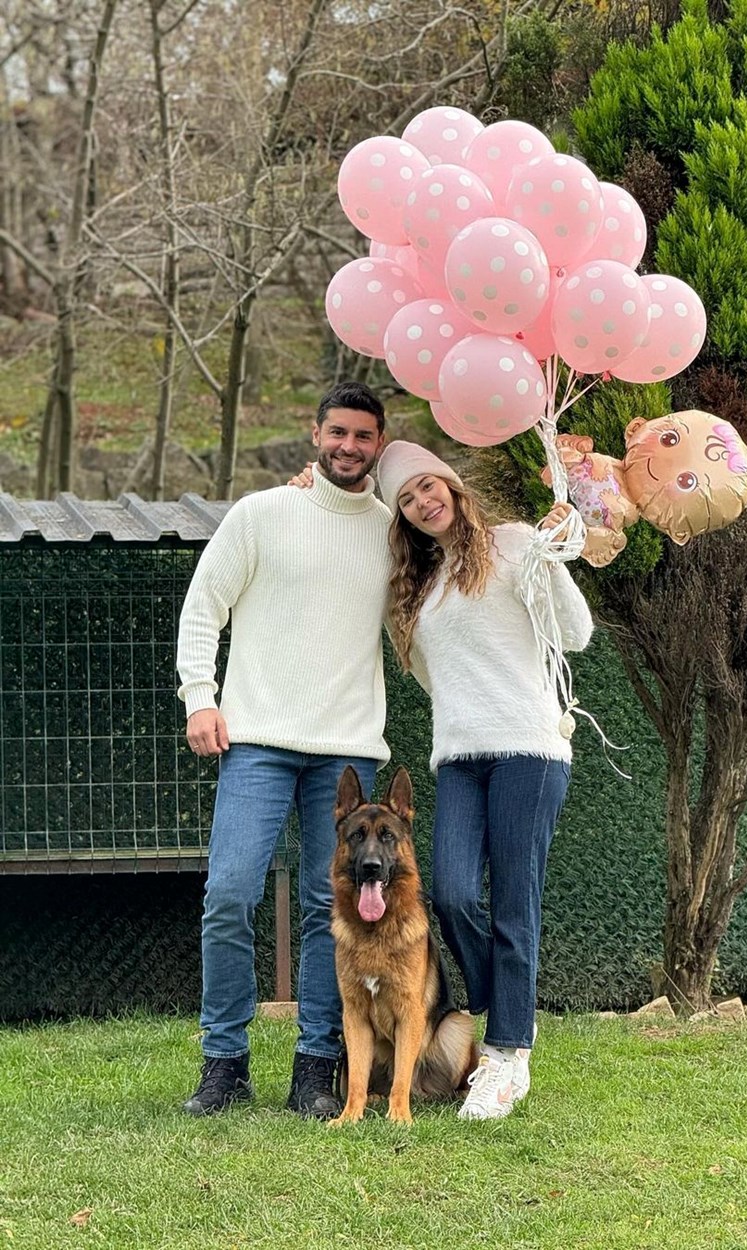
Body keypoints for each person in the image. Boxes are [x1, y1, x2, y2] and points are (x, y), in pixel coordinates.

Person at [293, 440, 593, 1119]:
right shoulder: (417, 585)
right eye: (406, 498)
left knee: (514, 904)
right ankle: (504, 998)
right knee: (452, 894)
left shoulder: (514, 543)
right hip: (458, 757)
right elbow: (436, 678)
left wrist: (553, 556)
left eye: (428, 486)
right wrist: (316, 490)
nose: (422, 501)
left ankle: (508, 1054)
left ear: (453, 487)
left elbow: (575, 633)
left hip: (530, 751)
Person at [175, 381, 391, 1119]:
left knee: (330, 909)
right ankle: (224, 1064)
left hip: (347, 751)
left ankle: (315, 1068)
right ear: (315, 433)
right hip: (257, 741)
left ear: (379, 446)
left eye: (363, 436)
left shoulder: (391, 533)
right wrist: (199, 696)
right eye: (338, 432)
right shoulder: (261, 514)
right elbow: (204, 605)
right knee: (229, 893)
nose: (348, 446)